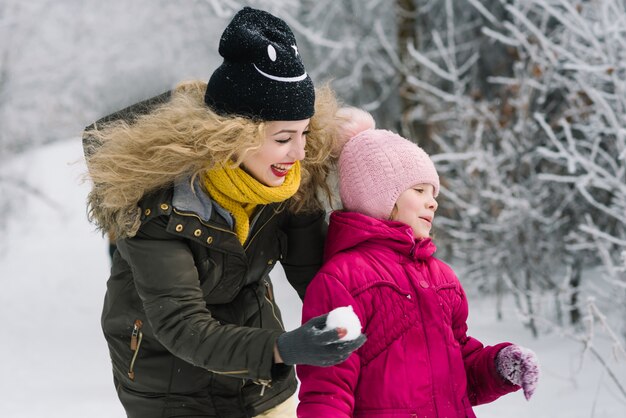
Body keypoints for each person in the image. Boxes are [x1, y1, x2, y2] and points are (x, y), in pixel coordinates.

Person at [83, 7, 365, 418]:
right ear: (233, 136)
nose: (301, 153)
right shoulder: (161, 206)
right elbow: (182, 325)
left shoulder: (288, 182)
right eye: (284, 137)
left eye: (305, 132)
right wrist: (283, 347)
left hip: (261, 373)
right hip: (167, 384)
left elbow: (318, 277)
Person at [296, 126, 540, 417]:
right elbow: (327, 389)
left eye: (433, 192)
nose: (433, 202)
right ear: (380, 197)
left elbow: (460, 368)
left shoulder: (442, 279)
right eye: (419, 190)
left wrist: (499, 366)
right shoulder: (343, 279)